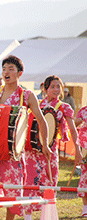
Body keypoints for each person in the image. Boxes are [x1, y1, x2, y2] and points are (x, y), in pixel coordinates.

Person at [0, 55, 51, 220]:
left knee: (13, 195)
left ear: (20, 73)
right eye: (4, 69)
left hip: (13, 154)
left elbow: (42, 120)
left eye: (11, 69)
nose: (6, 72)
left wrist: (45, 145)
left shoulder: (26, 95)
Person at [23, 75, 82, 219]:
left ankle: (47, 215)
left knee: (50, 181)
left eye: (58, 87)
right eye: (52, 87)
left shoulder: (64, 107)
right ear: (45, 89)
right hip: (33, 151)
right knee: (30, 181)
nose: (56, 90)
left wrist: (78, 150)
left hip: (50, 150)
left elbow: (72, 130)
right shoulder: (36, 104)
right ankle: (28, 215)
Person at [76, 105, 87, 217]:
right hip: (85, 147)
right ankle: (85, 208)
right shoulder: (83, 110)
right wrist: (78, 121)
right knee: (85, 175)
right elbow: (73, 125)